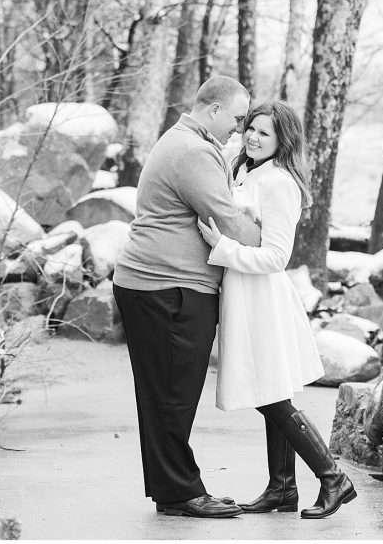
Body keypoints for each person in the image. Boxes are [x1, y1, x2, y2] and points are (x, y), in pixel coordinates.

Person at [198, 101, 357, 519]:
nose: (251, 136)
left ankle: (333, 478)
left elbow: (276, 257)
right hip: (242, 295)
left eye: (263, 133)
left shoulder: (280, 182)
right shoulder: (244, 173)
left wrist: (221, 247)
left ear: (281, 141)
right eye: (250, 128)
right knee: (272, 391)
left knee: (270, 396)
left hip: (263, 301)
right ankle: (283, 489)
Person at [112, 75, 260, 519]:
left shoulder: (183, 140)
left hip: (158, 284)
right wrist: (264, 234)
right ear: (212, 109)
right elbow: (231, 225)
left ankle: (174, 491)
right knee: (173, 394)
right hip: (166, 287)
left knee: (164, 393)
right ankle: (182, 493)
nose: (240, 128)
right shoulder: (194, 151)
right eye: (236, 117)